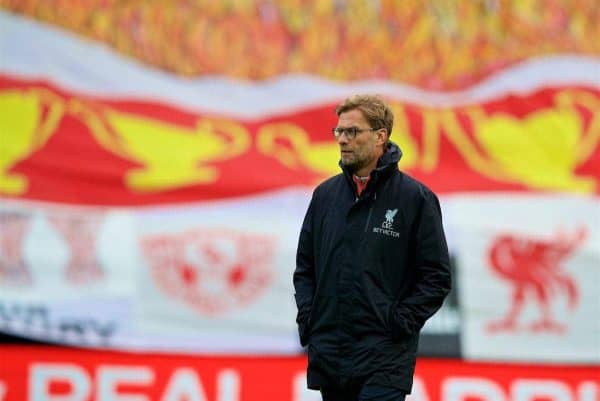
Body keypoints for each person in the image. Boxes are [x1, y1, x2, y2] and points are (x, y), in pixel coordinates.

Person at [293, 94, 451, 401]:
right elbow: (305, 269)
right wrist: (310, 319)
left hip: (384, 358)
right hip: (331, 354)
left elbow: (436, 278)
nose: (342, 140)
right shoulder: (325, 196)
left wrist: (398, 322)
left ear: (381, 136)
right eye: (339, 131)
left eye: (352, 132)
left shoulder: (415, 199)